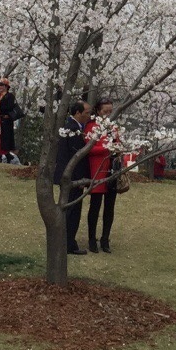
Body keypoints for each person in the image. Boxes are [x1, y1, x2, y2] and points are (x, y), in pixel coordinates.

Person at [55, 101, 91, 254]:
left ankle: (67, 242)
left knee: (70, 210)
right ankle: (68, 244)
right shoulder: (73, 130)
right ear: (78, 113)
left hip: (67, 177)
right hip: (72, 178)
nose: (89, 115)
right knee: (72, 212)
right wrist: (80, 179)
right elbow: (76, 157)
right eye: (87, 112)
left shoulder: (69, 127)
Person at [85, 97, 120, 253]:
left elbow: (119, 144)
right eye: (105, 111)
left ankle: (105, 238)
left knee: (109, 207)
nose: (108, 114)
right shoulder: (92, 127)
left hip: (111, 170)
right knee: (95, 206)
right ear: (98, 111)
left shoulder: (113, 127)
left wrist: (116, 147)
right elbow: (89, 149)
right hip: (97, 170)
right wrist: (107, 148)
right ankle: (92, 239)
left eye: (110, 111)